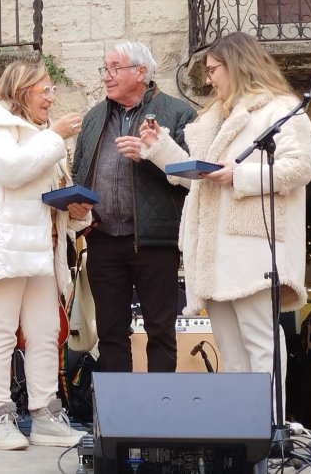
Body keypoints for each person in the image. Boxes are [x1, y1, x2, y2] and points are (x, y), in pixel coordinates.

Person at [139, 31, 311, 412]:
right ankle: (243, 429)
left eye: (213, 70)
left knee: (260, 341)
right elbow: (198, 179)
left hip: (252, 246)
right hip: (213, 251)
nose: (208, 79)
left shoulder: (280, 110)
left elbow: (299, 167)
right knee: (231, 351)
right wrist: (160, 148)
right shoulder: (213, 119)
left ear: (236, 65)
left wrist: (238, 176)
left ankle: (270, 427)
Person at [0, 59, 92, 450]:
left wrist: (76, 212)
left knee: (46, 332)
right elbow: (14, 173)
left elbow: (48, 195)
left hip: (42, 248)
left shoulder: (41, 134)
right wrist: (55, 137)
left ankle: (45, 413)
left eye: (52, 90)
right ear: (20, 92)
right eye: (43, 90)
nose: (51, 97)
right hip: (3, 246)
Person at [71, 41, 196, 373]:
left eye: (114, 68)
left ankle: (159, 413)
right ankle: (117, 418)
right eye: (105, 68)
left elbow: (191, 177)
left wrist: (149, 154)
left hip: (155, 240)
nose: (106, 77)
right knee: (110, 332)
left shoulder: (178, 113)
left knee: (160, 331)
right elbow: (79, 170)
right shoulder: (94, 116)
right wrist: (76, 205)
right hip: (103, 239)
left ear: (141, 72)